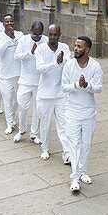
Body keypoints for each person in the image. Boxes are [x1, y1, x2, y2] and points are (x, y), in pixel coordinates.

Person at [62, 36, 103, 193]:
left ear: (87, 49)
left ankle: (83, 171)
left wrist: (87, 85)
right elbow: (64, 87)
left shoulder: (95, 66)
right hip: (72, 111)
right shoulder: (69, 65)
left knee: (86, 145)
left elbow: (99, 88)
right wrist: (75, 85)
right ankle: (74, 178)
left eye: (79, 46)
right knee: (74, 144)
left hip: (88, 112)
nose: (76, 49)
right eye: (75, 46)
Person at [35, 24, 73, 162]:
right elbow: (39, 68)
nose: (52, 37)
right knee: (45, 124)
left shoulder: (64, 48)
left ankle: (67, 153)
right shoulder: (41, 49)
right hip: (45, 95)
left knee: (64, 125)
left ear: (59, 35)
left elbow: (68, 63)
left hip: (61, 94)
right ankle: (45, 149)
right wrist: (55, 63)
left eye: (55, 35)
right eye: (50, 34)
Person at [13, 21, 45, 144]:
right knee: (22, 106)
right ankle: (21, 130)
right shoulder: (24, 40)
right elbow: (17, 56)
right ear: (30, 29)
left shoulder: (45, 40)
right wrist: (30, 53)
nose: (37, 36)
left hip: (39, 81)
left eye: (40, 33)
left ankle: (34, 134)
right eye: (35, 33)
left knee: (38, 109)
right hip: (25, 80)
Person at [0, 14, 23, 135]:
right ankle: (9, 123)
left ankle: (12, 117)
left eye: (11, 21)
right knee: (7, 99)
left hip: (19, 73)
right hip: (5, 74)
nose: (9, 24)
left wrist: (14, 38)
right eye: (7, 22)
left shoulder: (20, 35)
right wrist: (9, 39)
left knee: (17, 100)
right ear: (3, 24)